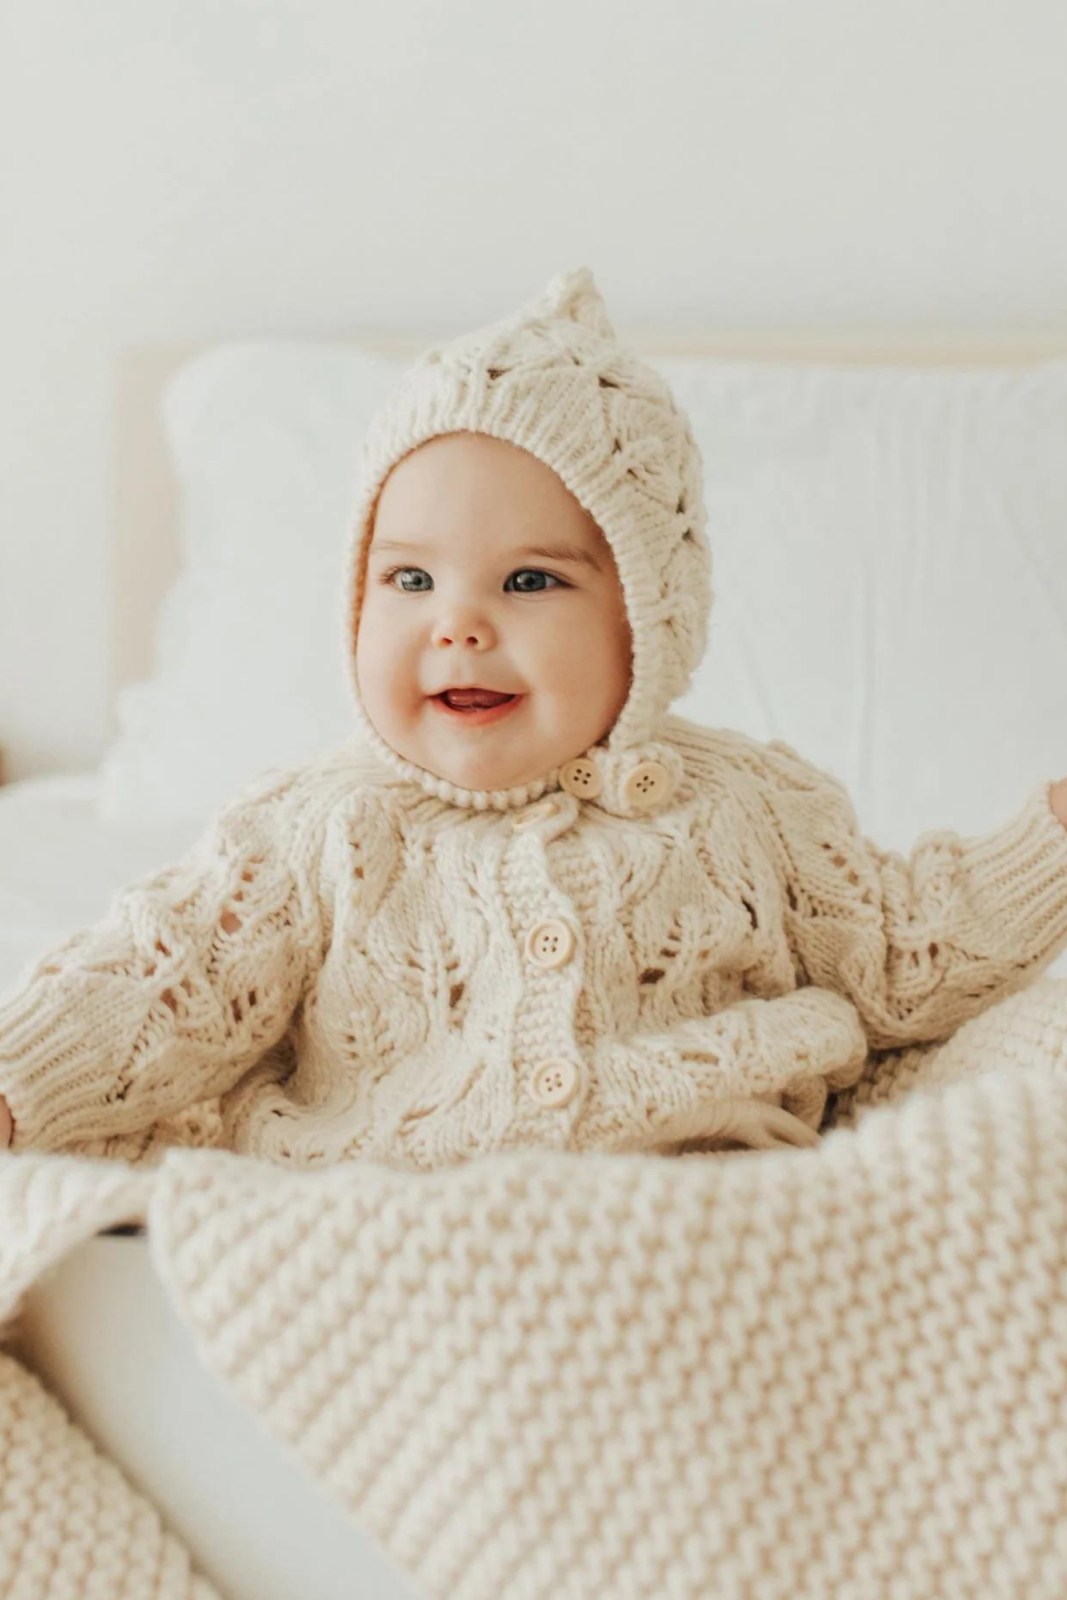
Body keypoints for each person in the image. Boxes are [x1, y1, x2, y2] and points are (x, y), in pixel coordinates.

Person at [3, 264, 1067, 1168]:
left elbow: (908, 949)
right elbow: (164, 978)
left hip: (727, 1223)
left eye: (527, 584)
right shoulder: (311, 830)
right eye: (410, 580)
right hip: (402, 1221)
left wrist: (1049, 838)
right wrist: (19, 1084)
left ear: (647, 620)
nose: (456, 625)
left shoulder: (752, 809)